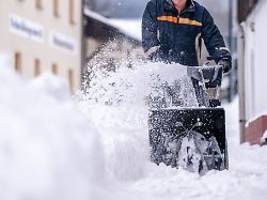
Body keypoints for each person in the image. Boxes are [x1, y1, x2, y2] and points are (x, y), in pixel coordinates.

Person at [142, 0, 232, 106]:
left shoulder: (200, 13)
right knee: (161, 117)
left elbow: (214, 39)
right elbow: (149, 43)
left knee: (200, 116)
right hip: (162, 80)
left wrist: (223, 59)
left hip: (192, 80)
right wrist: (165, 66)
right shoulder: (155, 7)